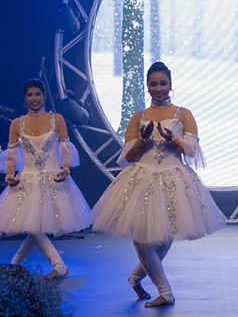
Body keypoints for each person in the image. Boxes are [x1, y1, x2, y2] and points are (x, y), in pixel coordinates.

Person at [90, 61, 226, 308]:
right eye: (153, 84)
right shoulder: (138, 117)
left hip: (174, 177)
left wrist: (173, 140)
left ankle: (136, 277)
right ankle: (165, 292)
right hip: (142, 178)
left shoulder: (183, 114)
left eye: (163, 83)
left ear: (171, 85)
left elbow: (192, 150)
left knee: (164, 237)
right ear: (147, 86)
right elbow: (128, 156)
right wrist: (141, 143)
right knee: (141, 237)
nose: (158, 88)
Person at [0, 78, 91, 278]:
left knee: (33, 225)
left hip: (53, 176)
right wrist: (10, 175)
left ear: (45, 96)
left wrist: (66, 169)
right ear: (25, 99)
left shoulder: (57, 119)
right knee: (33, 225)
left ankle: (54, 265)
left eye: (38, 94)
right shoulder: (16, 123)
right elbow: (12, 152)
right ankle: (20, 263)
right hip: (27, 179)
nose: (34, 98)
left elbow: (65, 146)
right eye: (30, 95)